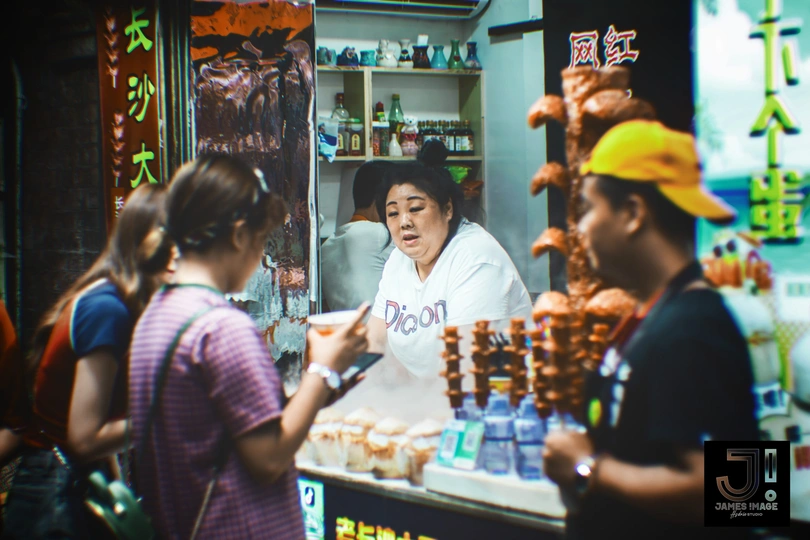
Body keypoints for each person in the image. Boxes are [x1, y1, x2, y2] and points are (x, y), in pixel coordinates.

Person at [128, 154, 369, 539]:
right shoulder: (222, 328)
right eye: (261, 242)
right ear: (239, 236)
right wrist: (321, 370)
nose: (260, 257)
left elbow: (221, 431)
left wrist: (320, 388)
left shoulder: (155, 316)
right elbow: (269, 458)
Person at [542, 120, 758, 539]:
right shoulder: (649, 317)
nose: (580, 228)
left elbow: (747, 496)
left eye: (589, 209)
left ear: (633, 214)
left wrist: (590, 469)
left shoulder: (698, 326)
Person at [1, 184, 174, 539]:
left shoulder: (123, 302)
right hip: (53, 498)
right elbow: (83, 438)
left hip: (71, 486)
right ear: (139, 239)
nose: (179, 254)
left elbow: (100, 430)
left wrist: (121, 494)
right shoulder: (108, 308)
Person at [366, 143, 532, 380]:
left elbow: (464, 367)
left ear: (448, 209)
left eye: (415, 208)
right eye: (393, 213)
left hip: (499, 398)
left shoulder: (475, 259)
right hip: (433, 397)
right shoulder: (398, 260)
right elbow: (374, 342)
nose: (403, 221)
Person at [321, 161, 394, 312]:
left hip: (344, 333)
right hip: (378, 333)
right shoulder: (379, 234)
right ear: (381, 200)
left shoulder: (326, 246)